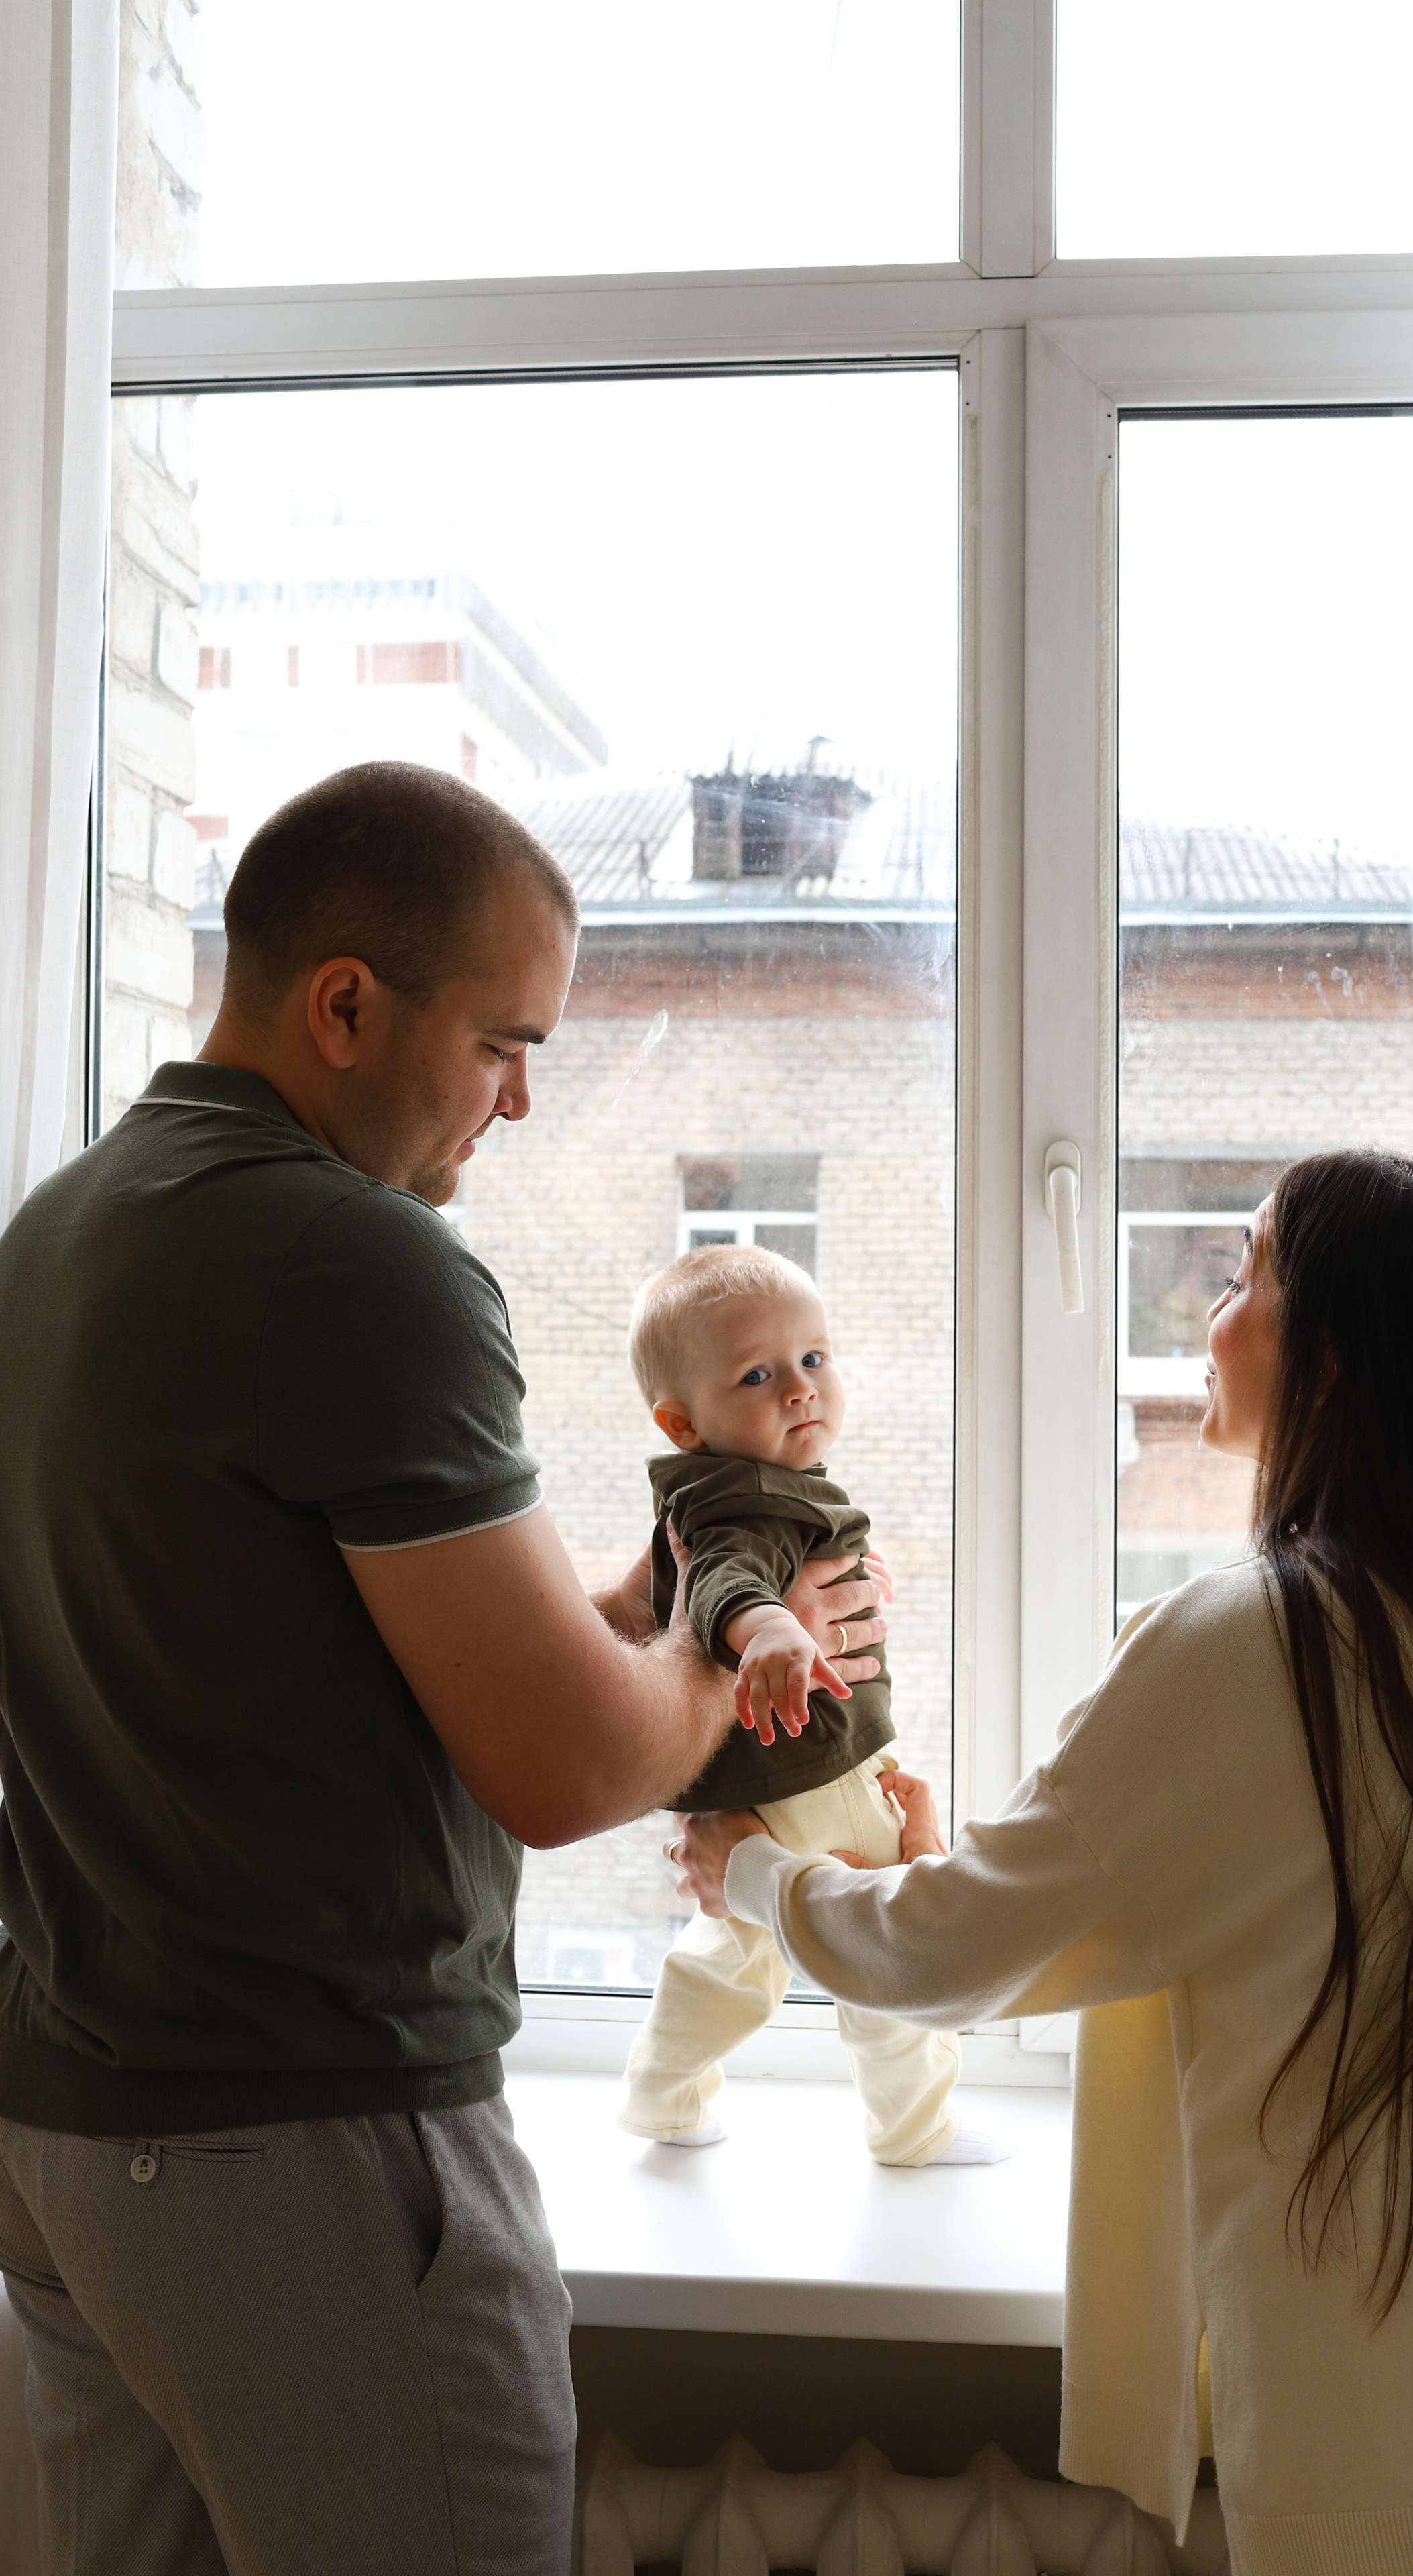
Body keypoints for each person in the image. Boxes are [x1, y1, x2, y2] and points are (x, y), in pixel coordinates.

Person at [0, 761, 886, 2576]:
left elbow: (280, 1637)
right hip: (307, 2144)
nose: (522, 1099)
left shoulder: (60, 1235)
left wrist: (648, 1607)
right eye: (504, 1042)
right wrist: (754, 1670)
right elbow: (561, 1771)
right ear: (345, 1003)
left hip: (77, 2136)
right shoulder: (361, 1259)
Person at [675, 1150, 1413, 2576]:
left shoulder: (1253, 1643)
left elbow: (946, 1955)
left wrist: (749, 1867)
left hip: (1398, 2475)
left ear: (1331, 1359)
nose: (1201, 1314)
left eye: (1238, 1275)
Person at [617, 1244, 999, 2167]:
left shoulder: (750, 1489)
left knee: (733, 1957)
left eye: (815, 1359)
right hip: (813, 1769)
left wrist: (842, 1568)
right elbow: (724, 1585)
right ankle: (918, 2128)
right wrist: (775, 1632)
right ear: (682, 1421)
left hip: (768, 1785)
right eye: (758, 1374)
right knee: (881, 1938)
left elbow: (746, 1566)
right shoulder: (733, 1504)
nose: (801, 1389)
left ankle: (662, 2100)